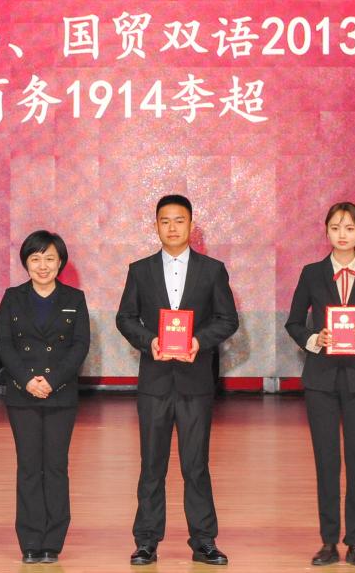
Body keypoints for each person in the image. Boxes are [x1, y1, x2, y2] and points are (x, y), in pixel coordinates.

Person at [115, 194, 239, 566]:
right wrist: (149, 341)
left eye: (179, 220)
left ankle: (204, 541)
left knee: (195, 465)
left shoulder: (212, 270)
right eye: (165, 221)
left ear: (191, 225)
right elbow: (125, 317)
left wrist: (198, 341)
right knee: (151, 465)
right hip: (154, 382)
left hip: (195, 381)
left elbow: (227, 319)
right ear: (156, 225)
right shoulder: (140, 270)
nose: (172, 227)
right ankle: (146, 541)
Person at [285, 202, 355, 568]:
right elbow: (293, 322)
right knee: (326, 461)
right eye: (335, 227)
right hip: (321, 379)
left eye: (349, 228)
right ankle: (328, 542)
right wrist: (313, 339)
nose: (342, 234)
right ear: (326, 232)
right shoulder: (311, 274)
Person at [0, 230, 91, 564]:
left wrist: (51, 381)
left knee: (56, 467)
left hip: (60, 394)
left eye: (50, 258)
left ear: (60, 262)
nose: (43, 265)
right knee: (28, 467)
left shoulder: (75, 298)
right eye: (35, 259)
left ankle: (53, 541)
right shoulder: (12, 297)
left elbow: (80, 345)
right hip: (22, 394)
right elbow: (4, 343)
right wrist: (26, 380)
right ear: (26, 262)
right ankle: (30, 540)